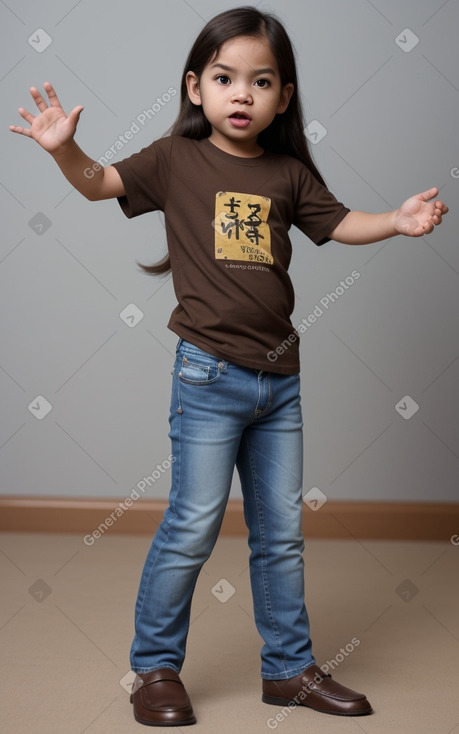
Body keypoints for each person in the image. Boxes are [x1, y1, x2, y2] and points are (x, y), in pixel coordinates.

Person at [10, 5, 447, 727]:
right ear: (194, 88)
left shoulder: (288, 172)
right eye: (224, 77)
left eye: (260, 81)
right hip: (206, 376)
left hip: (279, 384)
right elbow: (98, 183)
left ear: (282, 97)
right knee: (192, 525)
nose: (241, 93)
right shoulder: (173, 160)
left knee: (280, 533)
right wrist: (64, 150)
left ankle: (288, 672)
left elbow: (337, 224)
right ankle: (153, 669)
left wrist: (395, 222)